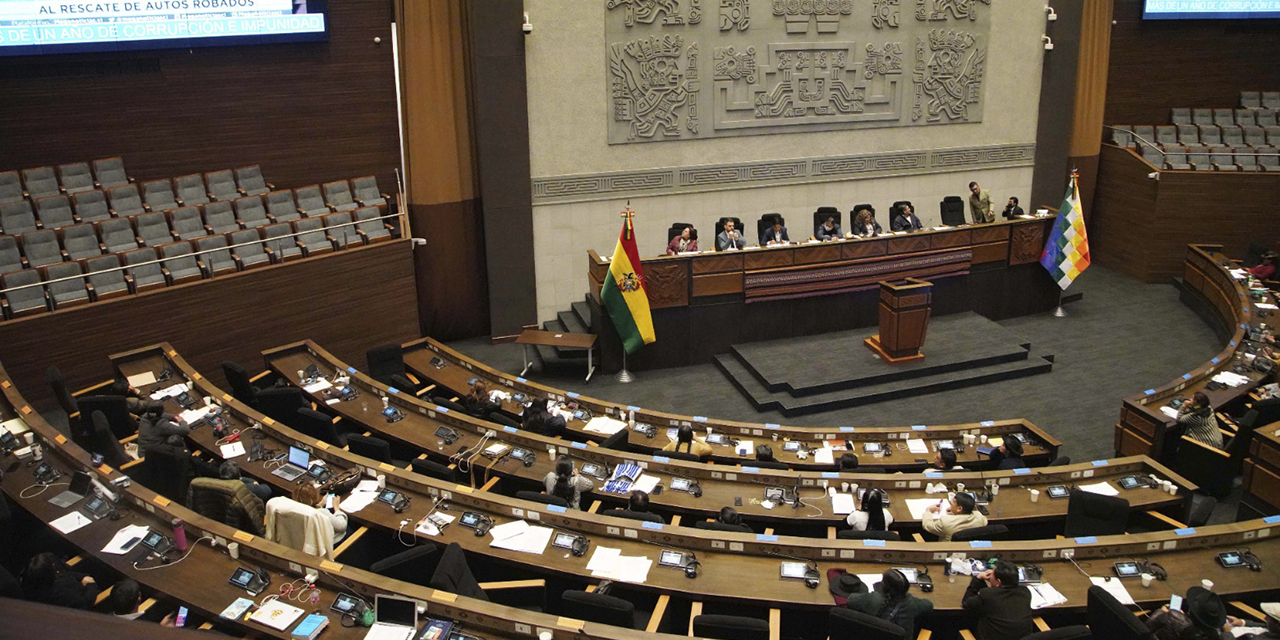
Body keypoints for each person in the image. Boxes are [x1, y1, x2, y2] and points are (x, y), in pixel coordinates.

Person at [845, 568, 934, 639]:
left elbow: (851, 600)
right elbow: (929, 605)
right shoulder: (911, 603)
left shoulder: (872, 599)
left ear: (883, 586)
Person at [962, 561, 1034, 640]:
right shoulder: (1025, 592)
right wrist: (994, 583)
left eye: (992, 573)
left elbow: (966, 603)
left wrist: (978, 578)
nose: (989, 573)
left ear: (999, 582)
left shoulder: (988, 595)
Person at [1146, 586, 1242, 640]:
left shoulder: (1172, 616)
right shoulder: (1213, 636)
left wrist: (1161, 611)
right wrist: (1228, 632)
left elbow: (1144, 628)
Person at [21, 552, 100, 610]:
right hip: (85, 598)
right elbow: (85, 602)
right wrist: (90, 585)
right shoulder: (59, 594)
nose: (54, 565)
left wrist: (82, 577)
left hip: (78, 583)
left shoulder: (31, 580)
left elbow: (65, 572)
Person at [923, 492, 987, 541]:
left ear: (959, 508)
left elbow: (928, 525)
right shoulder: (980, 518)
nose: (951, 503)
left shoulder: (946, 522)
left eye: (953, 502)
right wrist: (956, 512)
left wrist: (928, 511)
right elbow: (979, 516)